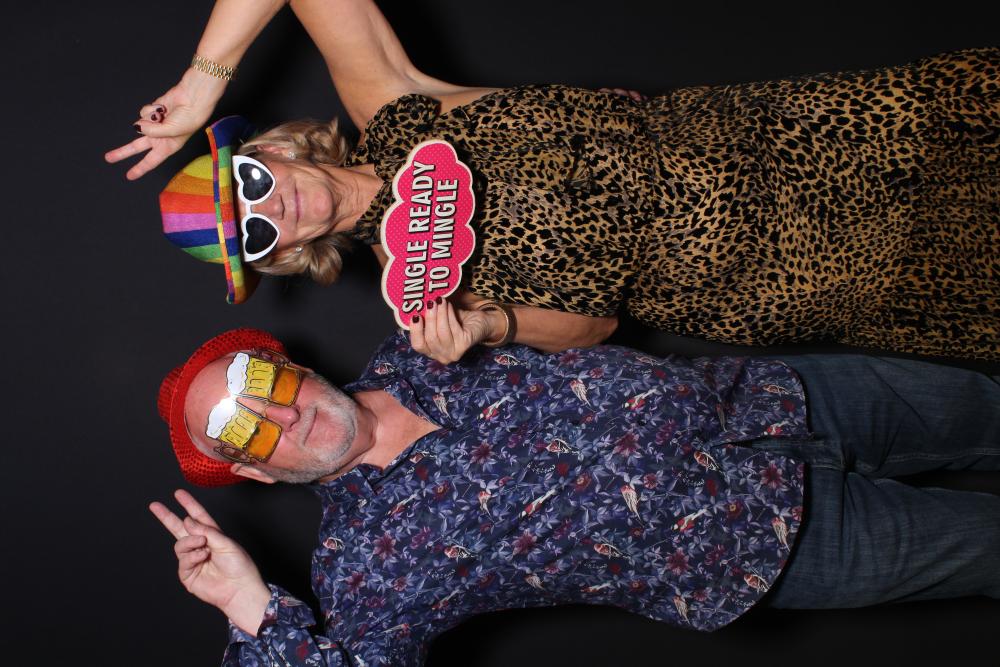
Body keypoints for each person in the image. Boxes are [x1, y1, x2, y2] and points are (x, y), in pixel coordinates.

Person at [107, 0, 1000, 362]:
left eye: (250, 182)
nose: (272, 205)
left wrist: (203, 82)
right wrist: (483, 326)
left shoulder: (395, 111)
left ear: (275, 151)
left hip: (788, 138)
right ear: (285, 254)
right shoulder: (422, 289)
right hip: (781, 279)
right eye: (256, 230)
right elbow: (598, 324)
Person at [151, 302, 1000, 666]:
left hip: (785, 394)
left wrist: (489, 321)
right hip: (782, 545)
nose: (281, 414)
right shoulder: (365, 564)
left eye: (264, 383)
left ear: (291, 365)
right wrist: (250, 605)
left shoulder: (418, 332)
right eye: (243, 428)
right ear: (252, 468)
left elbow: (596, 315)